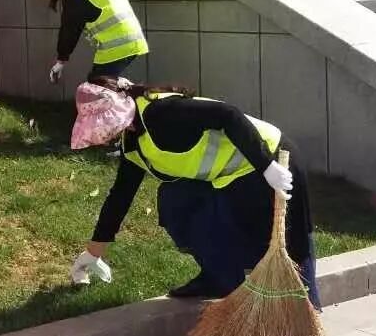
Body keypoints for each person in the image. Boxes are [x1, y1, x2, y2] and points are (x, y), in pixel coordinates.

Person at [66, 78, 320, 308]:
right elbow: (120, 197)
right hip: (227, 179)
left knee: (291, 241)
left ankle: (305, 307)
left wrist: (266, 166)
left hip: (272, 159)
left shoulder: (161, 113)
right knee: (175, 201)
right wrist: (93, 253)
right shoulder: (132, 141)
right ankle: (218, 278)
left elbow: (228, 114)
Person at [36, 0, 149, 84]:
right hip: (134, 40)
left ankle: (127, 88)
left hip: (116, 47)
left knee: (97, 84)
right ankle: (121, 85)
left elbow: (69, 30)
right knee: (100, 82)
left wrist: (61, 60)